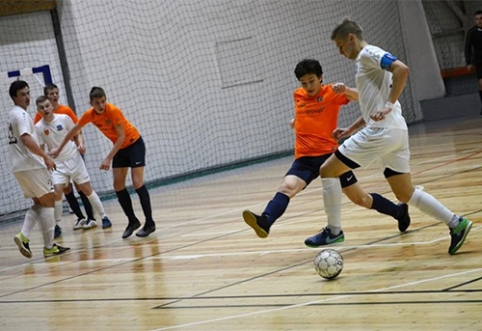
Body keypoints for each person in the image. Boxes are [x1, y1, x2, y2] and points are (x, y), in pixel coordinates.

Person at [313, 18, 472, 255]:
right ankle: (456, 223)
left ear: (350, 38)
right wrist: (350, 126)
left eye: (339, 45)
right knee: (405, 193)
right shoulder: (366, 62)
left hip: (382, 132)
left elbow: (402, 69)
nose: (339, 51)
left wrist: (389, 103)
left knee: (327, 170)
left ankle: (333, 231)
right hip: (395, 131)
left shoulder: (369, 53)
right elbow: (370, 104)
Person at [243, 59, 410, 246]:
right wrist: (296, 122)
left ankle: (399, 212)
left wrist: (345, 89)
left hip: (330, 159)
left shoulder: (331, 92)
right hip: (304, 159)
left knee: (361, 199)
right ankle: (266, 221)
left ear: (321, 78)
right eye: (303, 83)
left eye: (311, 81)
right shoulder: (297, 95)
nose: (308, 86)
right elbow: (309, 117)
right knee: (287, 188)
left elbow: (363, 98)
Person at [49, 87, 155, 239]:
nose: (101, 105)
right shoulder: (89, 115)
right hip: (120, 148)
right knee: (118, 185)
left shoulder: (113, 111)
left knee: (137, 182)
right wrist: (58, 149)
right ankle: (132, 221)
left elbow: (121, 137)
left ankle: (150, 223)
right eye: (97, 102)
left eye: (103, 101)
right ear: (91, 103)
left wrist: (108, 158)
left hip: (134, 144)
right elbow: (73, 131)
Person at [7, 80, 70, 258]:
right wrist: (46, 157)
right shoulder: (23, 116)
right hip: (32, 165)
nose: (27, 97)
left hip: (19, 168)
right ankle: (49, 246)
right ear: (14, 97)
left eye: (28, 93)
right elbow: (26, 139)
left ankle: (24, 235)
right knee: (49, 200)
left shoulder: (11, 114)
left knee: (39, 203)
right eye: (22, 94)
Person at [35, 96, 113, 232]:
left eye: (47, 106)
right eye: (42, 107)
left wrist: (81, 144)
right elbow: (41, 150)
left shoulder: (64, 118)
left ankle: (104, 216)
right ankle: (57, 225)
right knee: (57, 192)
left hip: (73, 158)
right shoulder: (38, 127)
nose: (45, 109)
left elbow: (77, 134)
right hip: (57, 164)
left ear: (52, 106)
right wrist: (45, 160)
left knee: (86, 188)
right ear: (38, 110)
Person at [464, 10, 482, 115]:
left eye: (481, 19)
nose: (479, 21)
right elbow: (467, 48)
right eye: (477, 19)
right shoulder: (472, 32)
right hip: (479, 62)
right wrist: (468, 62)